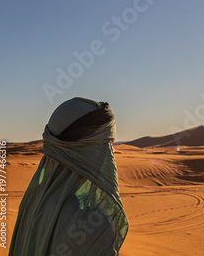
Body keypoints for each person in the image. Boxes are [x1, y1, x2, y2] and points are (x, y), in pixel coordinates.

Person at [9, 97, 128, 256]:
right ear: (83, 150)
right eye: (107, 144)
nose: (111, 153)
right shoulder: (93, 222)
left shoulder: (32, 202)